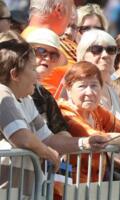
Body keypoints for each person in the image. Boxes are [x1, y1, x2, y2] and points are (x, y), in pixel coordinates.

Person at [0, 32, 108, 196]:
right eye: (33, 68)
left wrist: (84, 143)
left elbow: (49, 138)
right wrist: (48, 153)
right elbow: (22, 138)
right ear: (15, 74)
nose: (37, 75)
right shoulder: (2, 93)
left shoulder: (25, 99)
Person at [58, 61, 120, 183]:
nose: (89, 92)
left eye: (94, 85)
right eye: (82, 86)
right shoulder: (64, 111)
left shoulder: (97, 111)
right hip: (68, 189)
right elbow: (97, 138)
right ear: (69, 89)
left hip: (95, 187)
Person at [24, 0, 76, 99]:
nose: (47, 58)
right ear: (59, 9)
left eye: (54, 56)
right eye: (42, 51)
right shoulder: (27, 41)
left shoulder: (22, 38)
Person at [76, 29, 120, 121]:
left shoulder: (114, 89)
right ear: (83, 54)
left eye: (111, 50)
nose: (105, 55)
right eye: (96, 49)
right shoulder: (75, 88)